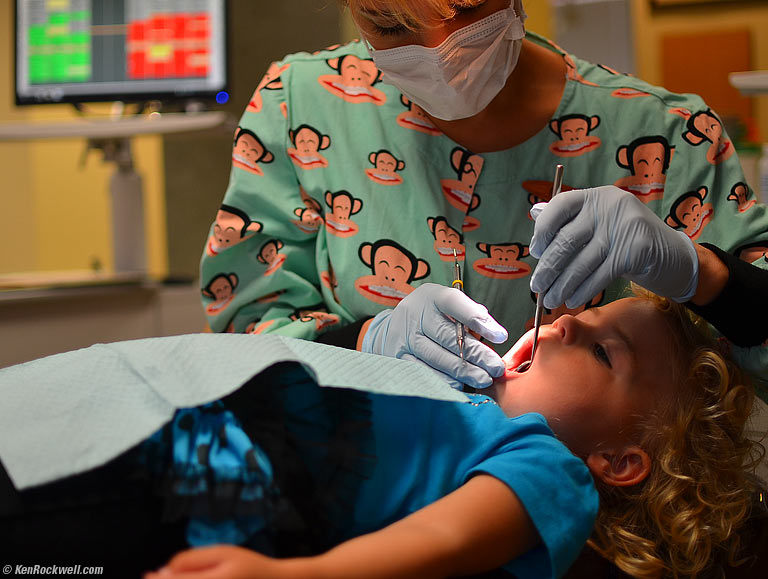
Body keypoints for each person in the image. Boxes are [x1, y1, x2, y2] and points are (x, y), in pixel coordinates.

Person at [199, 0, 768, 394]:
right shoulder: (303, 108)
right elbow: (245, 342)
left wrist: (703, 275)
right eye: (390, 25)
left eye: (467, 9)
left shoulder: (667, 134)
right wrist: (369, 341)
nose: (439, 51)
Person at [0, 293, 761, 578]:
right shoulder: (453, 385)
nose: (563, 321)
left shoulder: (549, 467)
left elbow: (450, 540)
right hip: (171, 430)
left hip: (218, 488)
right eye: (584, 309)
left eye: (600, 349)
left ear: (619, 460)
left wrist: (295, 578)